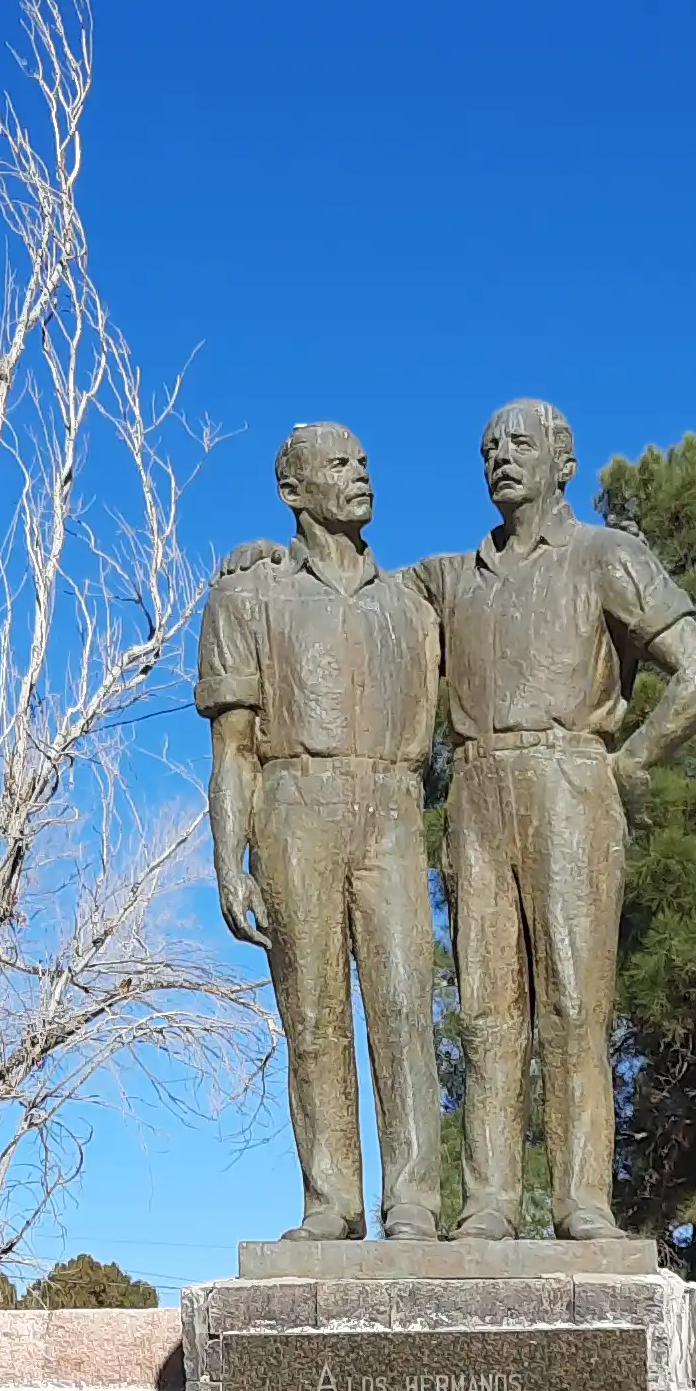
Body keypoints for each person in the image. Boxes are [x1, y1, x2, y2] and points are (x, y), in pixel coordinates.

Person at [416, 399, 696, 1239]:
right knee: (486, 1010)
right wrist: (264, 561)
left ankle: (584, 1200)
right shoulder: (451, 578)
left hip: (569, 782)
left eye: (521, 442)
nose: (501, 457)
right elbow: (355, 596)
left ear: (564, 461)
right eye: (488, 447)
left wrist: (629, 763)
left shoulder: (606, 557)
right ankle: (489, 1202)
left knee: (575, 1003)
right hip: (477, 792)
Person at [196, 422, 443, 1240]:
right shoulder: (246, 595)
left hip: (394, 803)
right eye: (338, 464)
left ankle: (414, 1201)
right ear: (293, 490)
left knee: (406, 1005)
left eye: (365, 461)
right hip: (293, 803)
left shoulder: (416, 597)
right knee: (314, 1017)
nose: (360, 474)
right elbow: (232, 748)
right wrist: (228, 861)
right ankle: (330, 1203)